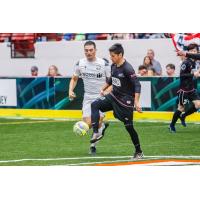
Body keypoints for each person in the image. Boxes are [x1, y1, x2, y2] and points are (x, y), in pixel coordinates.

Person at [90, 43, 143, 160]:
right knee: (94, 104)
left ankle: (138, 151)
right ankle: (97, 132)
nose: (111, 57)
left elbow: (137, 85)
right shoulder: (113, 65)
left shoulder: (128, 68)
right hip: (113, 96)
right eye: (110, 55)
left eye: (113, 55)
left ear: (120, 55)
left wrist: (137, 102)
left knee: (129, 127)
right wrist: (103, 88)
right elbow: (111, 80)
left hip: (125, 102)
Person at [68, 41, 111, 155]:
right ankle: (102, 128)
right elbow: (74, 79)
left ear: (95, 50)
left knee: (95, 122)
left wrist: (106, 92)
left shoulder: (104, 63)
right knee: (87, 124)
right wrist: (70, 90)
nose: (89, 52)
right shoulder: (80, 63)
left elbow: (111, 81)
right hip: (87, 97)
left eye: (91, 50)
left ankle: (93, 146)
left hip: (100, 96)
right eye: (86, 50)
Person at [169, 43, 200, 133]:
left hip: (191, 89)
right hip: (184, 90)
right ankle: (172, 125)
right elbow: (182, 75)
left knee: (198, 105)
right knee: (181, 108)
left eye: (195, 50)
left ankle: (183, 116)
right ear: (189, 52)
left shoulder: (194, 62)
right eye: (192, 51)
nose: (194, 52)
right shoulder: (186, 62)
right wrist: (193, 74)